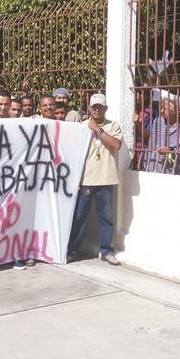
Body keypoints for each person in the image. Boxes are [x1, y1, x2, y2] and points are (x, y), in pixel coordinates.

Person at [67, 94, 122, 266]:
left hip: (105, 178)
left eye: (100, 107)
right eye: (94, 107)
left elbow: (116, 145)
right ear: (89, 108)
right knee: (79, 217)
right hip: (85, 179)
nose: (97, 109)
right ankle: (72, 250)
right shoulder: (81, 127)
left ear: (105, 108)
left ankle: (107, 251)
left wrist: (97, 130)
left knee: (106, 218)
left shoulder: (113, 126)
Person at [143, 98, 180, 174]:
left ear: (175, 110)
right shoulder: (158, 121)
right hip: (153, 166)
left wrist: (170, 150)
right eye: (161, 108)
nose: (162, 111)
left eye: (165, 108)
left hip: (173, 170)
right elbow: (151, 144)